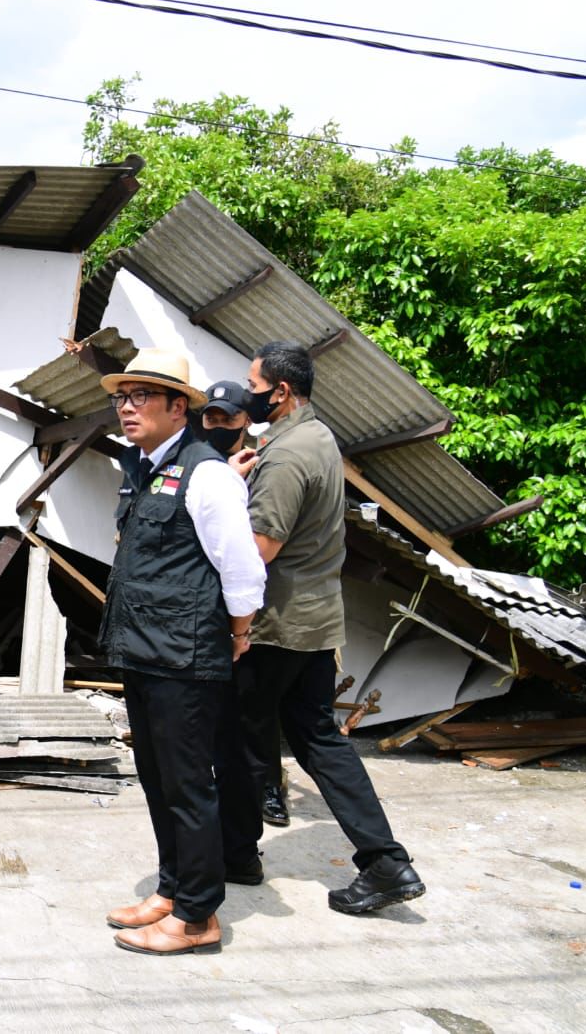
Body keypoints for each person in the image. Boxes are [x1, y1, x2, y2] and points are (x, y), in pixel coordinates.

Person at [220, 340, 425, 915]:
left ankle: (237, 854)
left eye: (254, 387)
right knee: (318, 740)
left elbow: (258, 550)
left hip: (278, 624)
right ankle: (386, 861)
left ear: (280, 392)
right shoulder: (317, 436)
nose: (249, 396)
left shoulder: (286, 456)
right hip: (315, 621)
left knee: (240, 740)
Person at [97, 350, 266, 956]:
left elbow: (241, 567)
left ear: (179, 407)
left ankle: (198, 916)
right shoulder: (141, 468)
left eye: (142, 396)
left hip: (185, 655)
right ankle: (171, 890)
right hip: (143, 649)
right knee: (156, 778)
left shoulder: (208, 473)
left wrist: (239, 631)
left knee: (189, 784)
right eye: (122, 397)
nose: (127, 406)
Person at [199, 382, 291, 832]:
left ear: (245, 422)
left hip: (253, 608)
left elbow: (256, 549)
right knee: (220, 715)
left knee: (255, 712)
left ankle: (269, 789)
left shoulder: (262, 466)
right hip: (206, 608)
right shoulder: (197, 463)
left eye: (227, 419)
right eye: (211, 418)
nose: (217, 426)